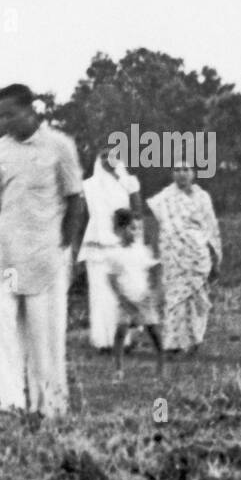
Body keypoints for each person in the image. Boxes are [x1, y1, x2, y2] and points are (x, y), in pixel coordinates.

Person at [0, 84, 85, 420]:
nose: (5, 121)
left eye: (10, 114)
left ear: (30, 110)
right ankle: (5, 402)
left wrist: (66, 246)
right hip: (5, 255)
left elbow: (75, 200)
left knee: (44, 334)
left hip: (45, 255)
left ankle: (48, 407)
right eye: (0, 116)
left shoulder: (60, 146)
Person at [148, 162, 222, 356]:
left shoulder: (203, 197)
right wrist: (156, 254)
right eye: (177, 170)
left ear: (193, 173)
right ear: (172, 174)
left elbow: (211, 228)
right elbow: (158, 228)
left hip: (198, 255)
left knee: (198, 299)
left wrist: (214, 257)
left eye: (186, 170)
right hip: (173, 254)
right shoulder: (164, 198)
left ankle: (194, 340)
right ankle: (173, 344)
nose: (181, 174)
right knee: (175, 299)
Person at [78, 147, 142, 354]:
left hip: (121, 242)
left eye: (112, 155)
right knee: (100, 294)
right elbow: (81, 217)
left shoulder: (129, 182)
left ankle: (126, 341)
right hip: (97, 245)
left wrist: (135, 241)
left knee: (124, 291)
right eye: (103, 155)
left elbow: (137, 213)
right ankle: (103, 341)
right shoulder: (89, 186)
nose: (108, 159)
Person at [104, 208, 165, 376]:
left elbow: (155, 267)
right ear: (119, 230)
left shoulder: (142, 250)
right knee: (120, 332)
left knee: (153, 331)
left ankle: (160, 365)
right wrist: (121, 297)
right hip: (126, 299)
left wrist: (155, 290)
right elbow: (111, 279)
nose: (136, 232)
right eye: (132, 228)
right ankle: (118, 368)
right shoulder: (114, 253)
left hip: (143, 297)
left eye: (138, 228)